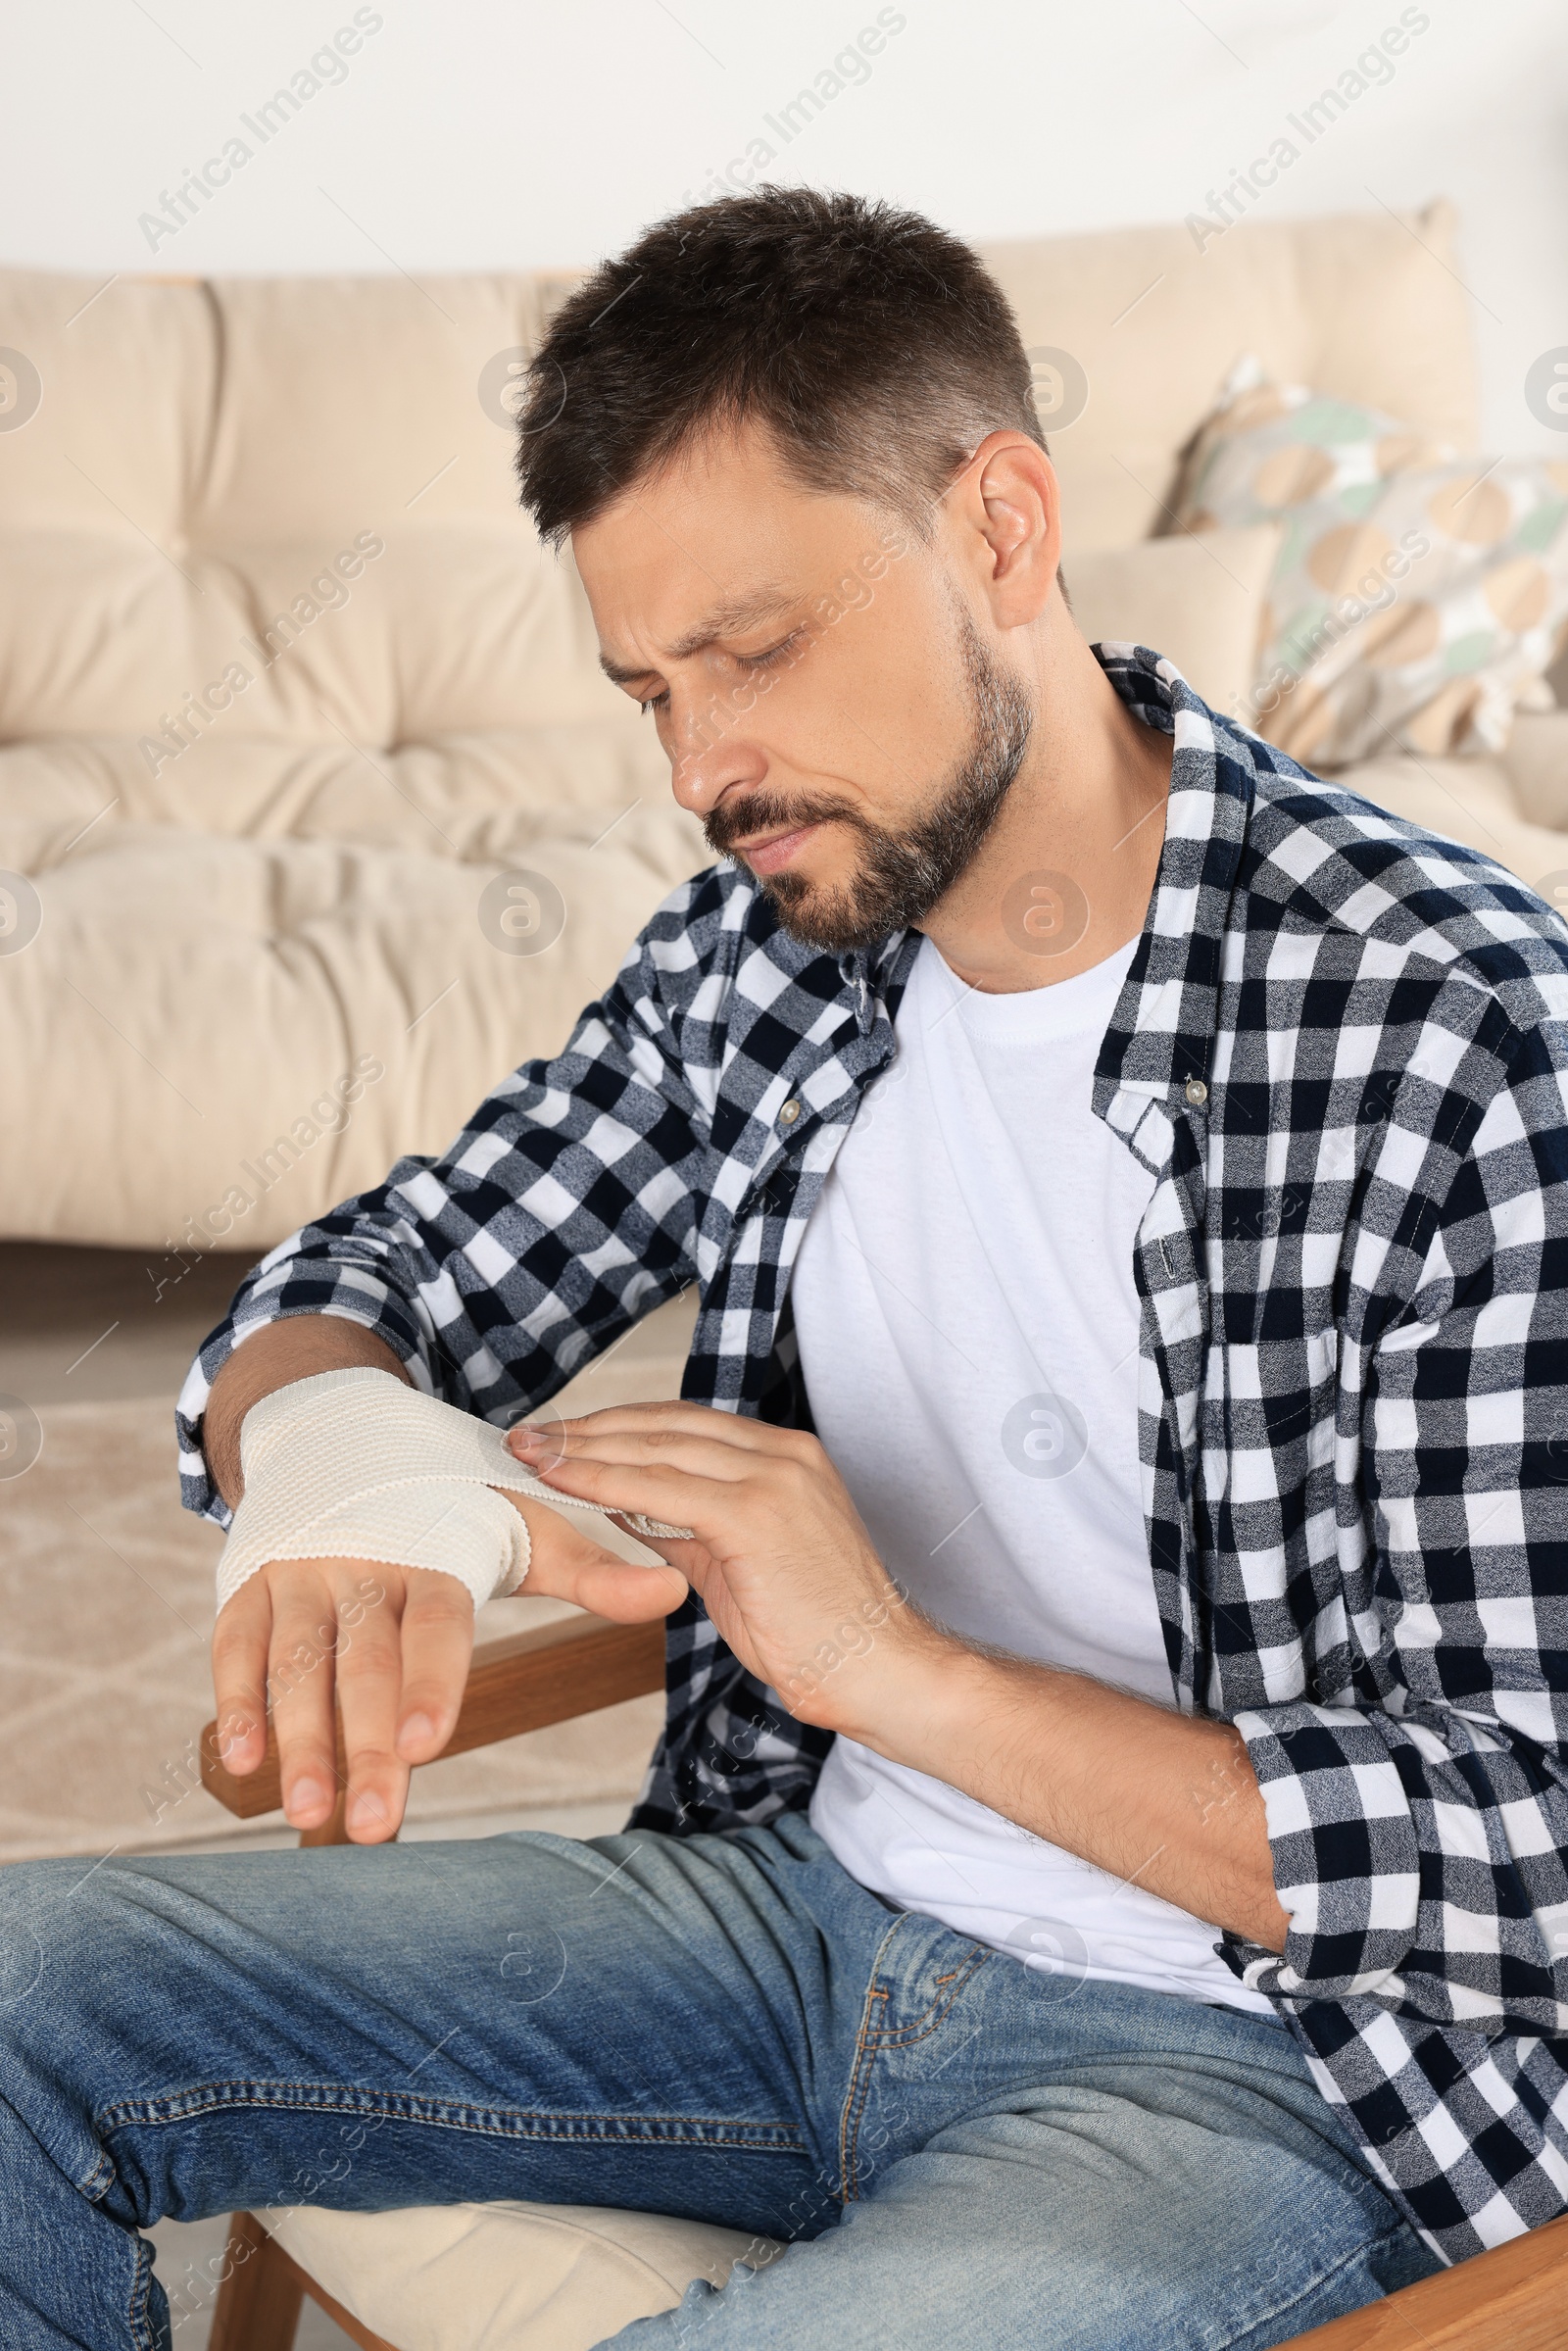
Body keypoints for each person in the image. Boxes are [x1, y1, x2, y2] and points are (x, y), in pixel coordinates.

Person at [5, 186, 1568, 2351]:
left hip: (1251, 2067)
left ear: (999, 532)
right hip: (800, 1917)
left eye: (751, 653)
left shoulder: (1453, 1044)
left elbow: (1522, 1860)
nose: (700, 771)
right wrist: (354, 1462)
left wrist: (887, 1666)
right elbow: (376, 1279)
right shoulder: (774, 953)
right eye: (648, 687)